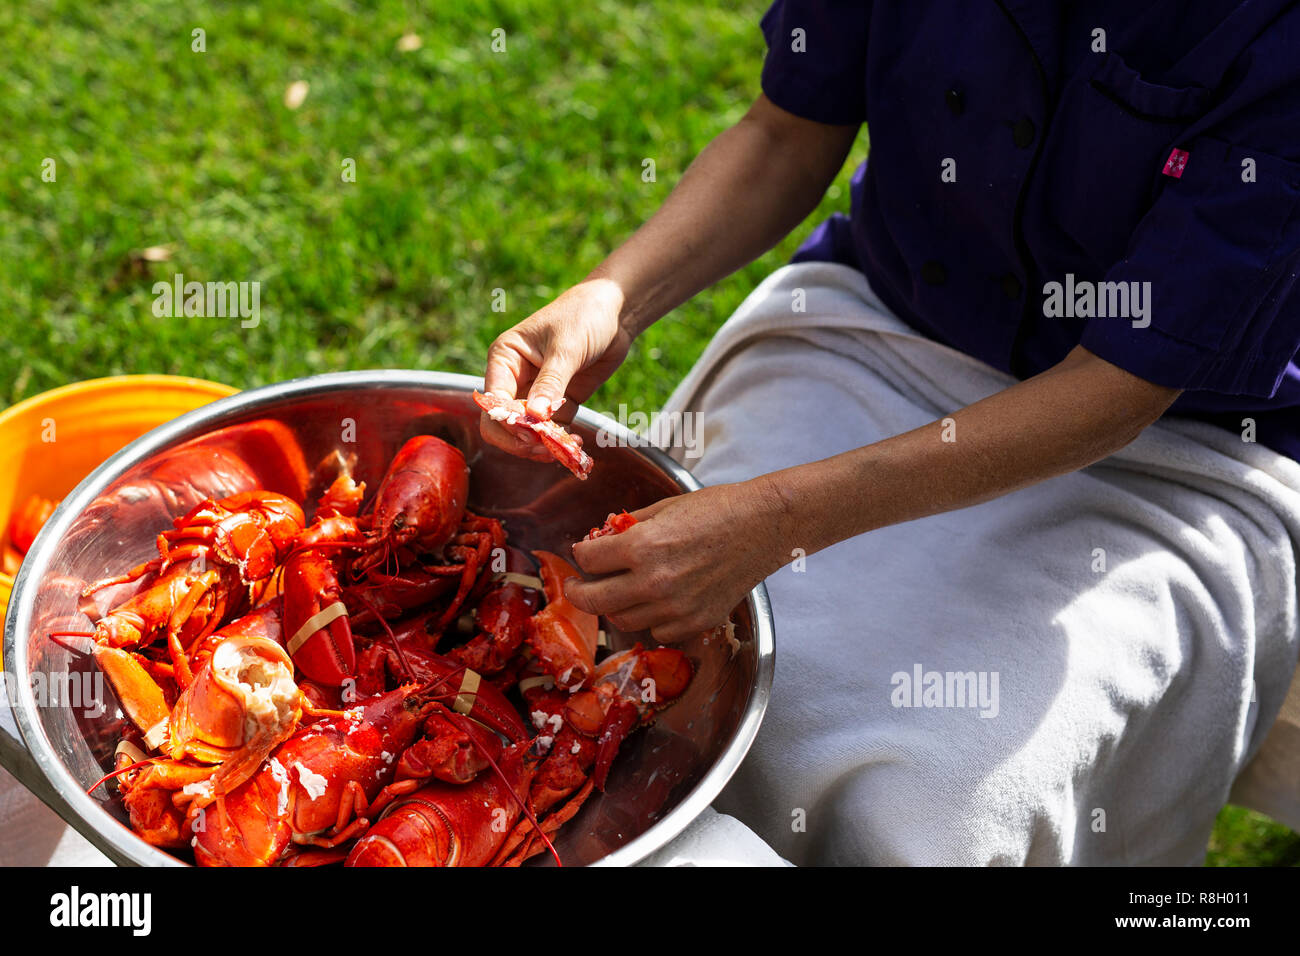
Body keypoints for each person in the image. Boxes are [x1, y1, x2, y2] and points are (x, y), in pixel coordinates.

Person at [480, 2, 1300, 864]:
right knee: (633, 693)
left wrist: (777, 521)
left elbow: (1121, 385)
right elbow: (782, 135)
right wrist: (615, 296)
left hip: (1176, 446)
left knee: (930, 813)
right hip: (884, 326)